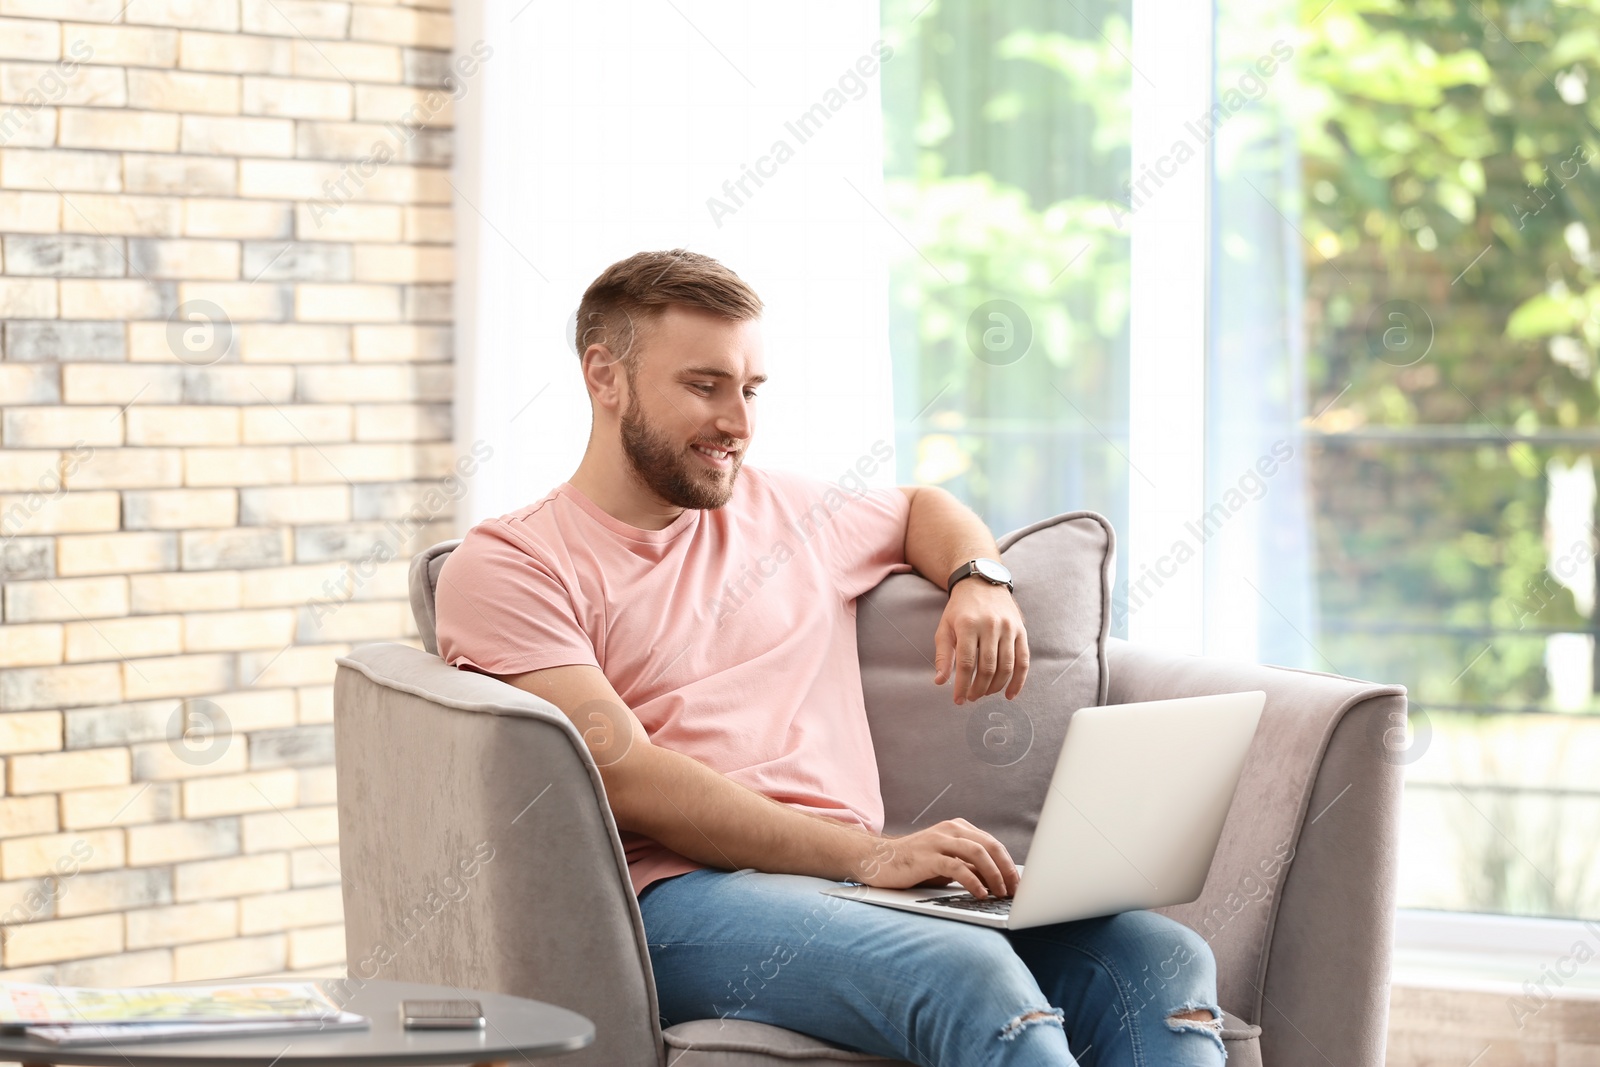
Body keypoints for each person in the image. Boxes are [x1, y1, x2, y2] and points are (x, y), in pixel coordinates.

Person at [433, 249, 1228, 1066]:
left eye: (751, 390)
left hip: (848, 888)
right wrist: (873, 854)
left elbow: (924, 506)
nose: (737, 422)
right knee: (971, 972)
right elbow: (624, 771)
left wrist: (979, 577)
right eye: (704, 386)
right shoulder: (511, 564)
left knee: (1157, 958)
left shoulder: (789, 510)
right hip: (674, 900)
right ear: (605, 376)